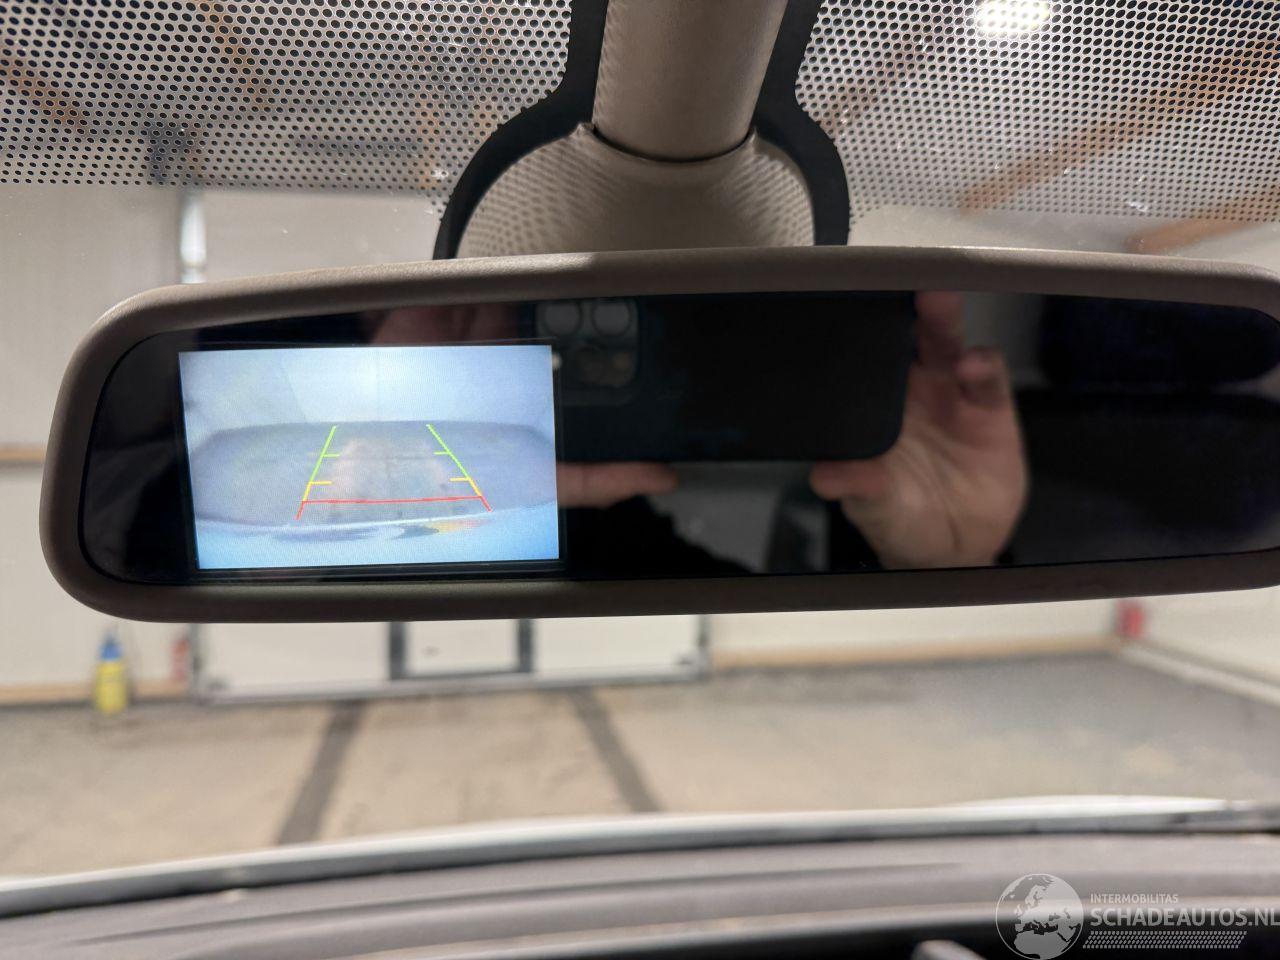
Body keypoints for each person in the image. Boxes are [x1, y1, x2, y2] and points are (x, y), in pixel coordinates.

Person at [367, 291, 1027, 572]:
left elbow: (727, 599)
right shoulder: (599, 530)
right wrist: (392, 470)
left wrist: (948, 566)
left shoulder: (615, 540)